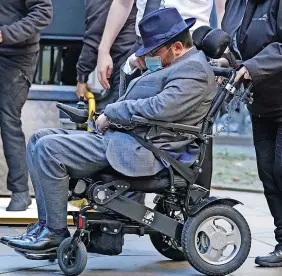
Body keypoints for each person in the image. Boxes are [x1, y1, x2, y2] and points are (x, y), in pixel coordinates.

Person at [1, 8, 216, 253]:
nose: (147, 59)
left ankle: (54, 233)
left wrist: (111, 113)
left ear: (176, 47)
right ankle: (45, 225)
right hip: (130, 138)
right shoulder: (174, 64)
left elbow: (161, 107)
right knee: (39, 138)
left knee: (49, 149)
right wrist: (131, 68)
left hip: (146, 150)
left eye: (152, 53)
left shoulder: (193, 70)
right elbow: (136, 97)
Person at [97, 0, 215, 194]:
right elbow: (122, 3)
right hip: (148, 43)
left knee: (188, 130)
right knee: (134, 121)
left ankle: (195, 201)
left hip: (186, 47)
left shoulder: (193, 67)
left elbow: (223, 8)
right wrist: (104, 49)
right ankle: (126, 209)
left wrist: (223, 50)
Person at [222, 0, 282, 267]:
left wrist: (253, 66)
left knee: (281, 170)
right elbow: (234, 43)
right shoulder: (236, 3)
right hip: (261, 104)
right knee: (268, 175)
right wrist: (225, 61)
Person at [0, 0, 53, 211]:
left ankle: (20, 191)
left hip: (16, 56)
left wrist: (5, 34)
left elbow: (43, 12)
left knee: (8, 120)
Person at [75, 0, 137, 111]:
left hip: (123, 59)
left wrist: (82, 78)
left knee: (116, 115)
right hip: (135, 56)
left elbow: (95, 33)